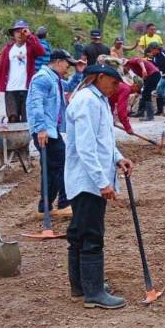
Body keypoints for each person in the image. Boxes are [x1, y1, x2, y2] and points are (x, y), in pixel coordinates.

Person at [64, 64, 134, 309]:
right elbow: (85, 147)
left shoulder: (99, 100)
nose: (116, 88)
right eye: (114, 83)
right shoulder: (87, 101)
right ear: (100, 77)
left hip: (90, 179)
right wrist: (102, 182)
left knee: (79, 233)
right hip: (87, 181)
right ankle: (93, 293)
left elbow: (103, 140)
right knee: (91, 235)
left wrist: (118, 158)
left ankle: (81, 286)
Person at [27, 49, 76, 218]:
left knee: (53, 167)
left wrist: (79, 72)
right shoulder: (42, 78)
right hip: (45, 131)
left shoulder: (54, 78)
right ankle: (61, 204)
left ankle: (46, 207)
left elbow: (70, 86)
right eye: (67, 65)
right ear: (58, 61)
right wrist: (41, 128)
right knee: (59, 165)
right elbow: (36, 104)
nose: (68, 68)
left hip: (51, 130)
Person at [0, 20, 44, 123]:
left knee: (27, 119)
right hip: (10, 89)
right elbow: (1, 69)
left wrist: (30, 36)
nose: (20, 34)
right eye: (17, 31)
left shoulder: (30, 47)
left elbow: (41, 51)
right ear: (13, 34)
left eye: (23, 31)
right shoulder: (7, 49)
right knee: (12, 118)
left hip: (27, 89)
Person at [123, 53, 161, 122]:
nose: (124, 70)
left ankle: (150, 116)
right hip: (151, 76)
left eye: (124, 68)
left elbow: (139, 60)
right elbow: (142, 78)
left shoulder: (131, 61)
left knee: (146, 93)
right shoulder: (132, 68)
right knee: (143, 93)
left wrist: (144, 69)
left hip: (153, 74)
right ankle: (140, 112)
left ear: (125, 65)